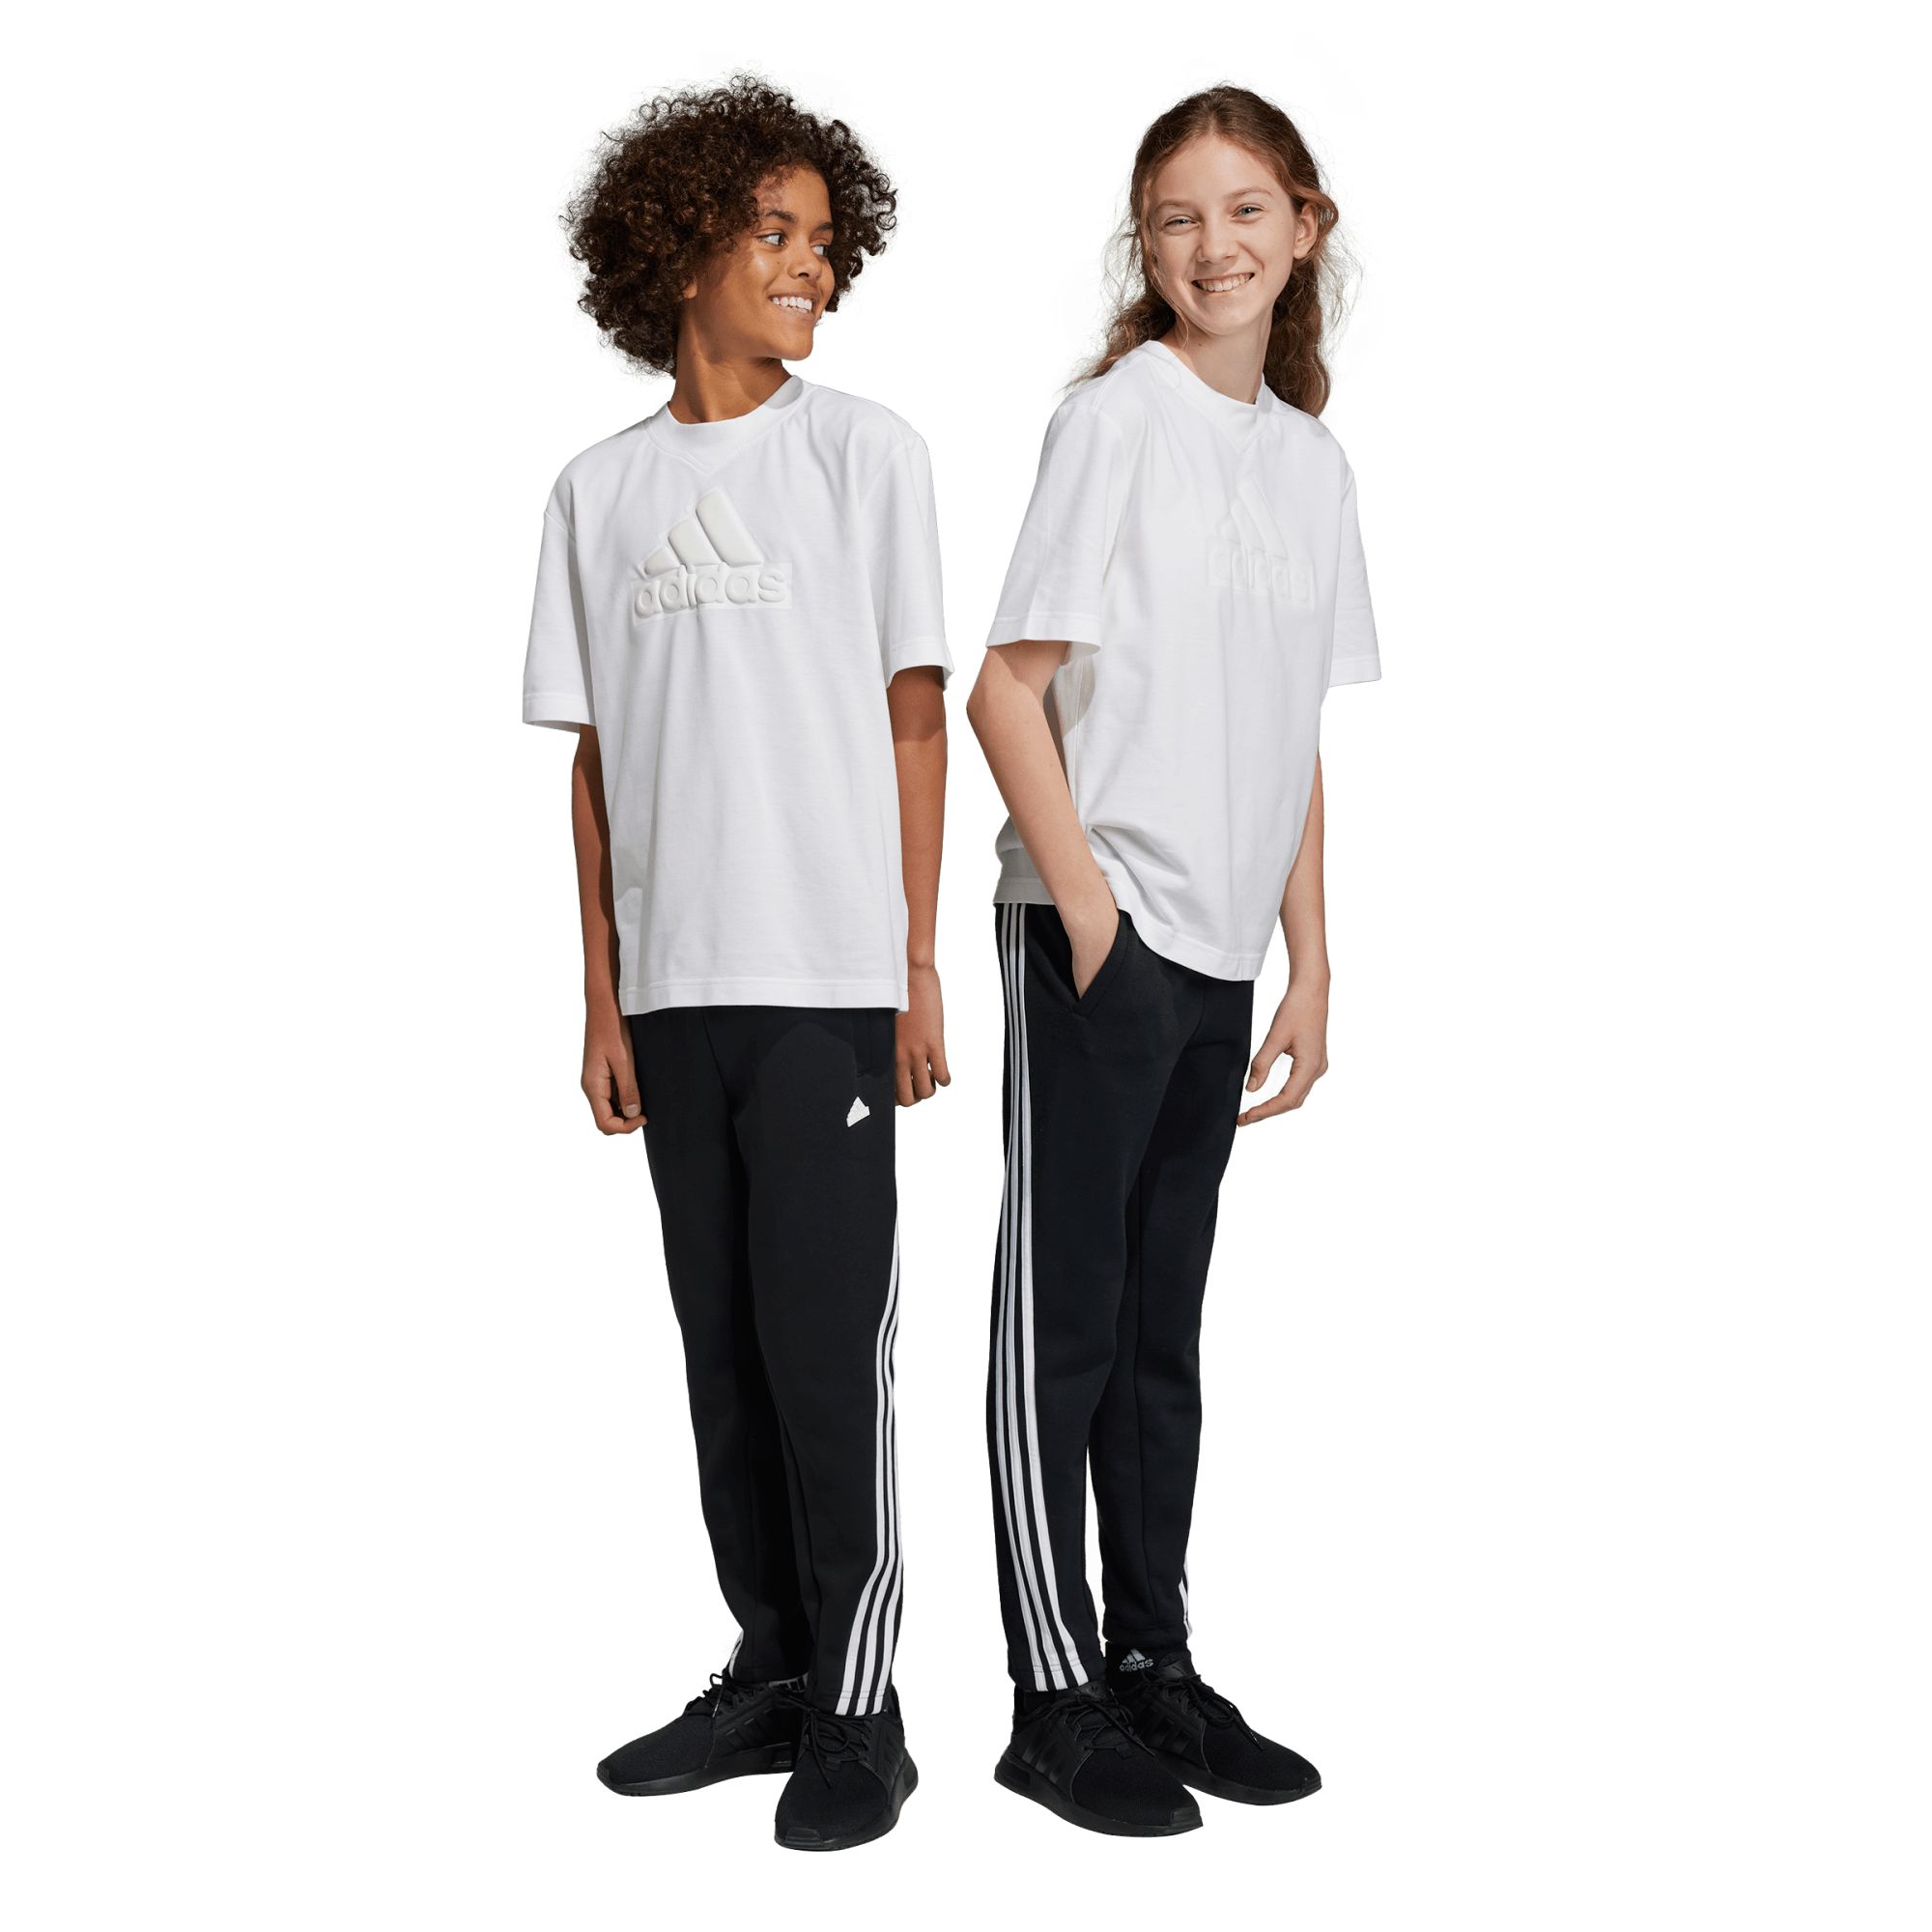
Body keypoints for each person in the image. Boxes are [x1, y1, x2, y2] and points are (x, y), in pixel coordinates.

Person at [521, 76, 950, 1853]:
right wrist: (601, 995)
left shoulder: (866, 457)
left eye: (825, 243)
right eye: (774, 234)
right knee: (722, 1354)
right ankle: (771, 1667)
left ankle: (863, 1706)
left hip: (827, 981)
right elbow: (596, 765)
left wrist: (915, 962)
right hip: (675, 993)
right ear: (677, 246)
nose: (810, 269)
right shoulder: (596, 492)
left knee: (823, 1349)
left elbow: (915, 719)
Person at [964, 83, 1380, 1837]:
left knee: (1159, 1333)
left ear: (1304, 226)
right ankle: (1050, 1695)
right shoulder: (1115, 422)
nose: (1214, 246)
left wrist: (1312, 962)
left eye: (1245, 210)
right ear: (1147, 246)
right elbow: (1005, 691)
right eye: (1178, 218)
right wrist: (1090, 918)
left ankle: (1152, 1658)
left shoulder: (1311, 462)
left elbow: (1288, 731)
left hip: (1220, 952)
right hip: (1105, 926)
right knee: (1060, 1325)